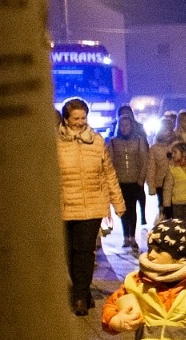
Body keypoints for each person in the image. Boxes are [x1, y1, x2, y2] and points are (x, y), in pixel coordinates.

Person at [57, 97, 125, 316]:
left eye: (83, 118)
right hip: (65, 205)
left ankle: (79, 297)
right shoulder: (55, 142)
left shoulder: (96, 141)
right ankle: (83, 290)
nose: (80, 122)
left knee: (85, 251)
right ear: (66, 119)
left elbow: (109, 173)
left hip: (92, 205)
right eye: (75, 118)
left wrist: (118, 203)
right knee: (70, 252)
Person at [107, 105, 151, 249]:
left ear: (132, 126)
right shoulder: (113, 142)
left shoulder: (139, 140)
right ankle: (126, 237)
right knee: (123, 210)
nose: (125, 128)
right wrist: (112, 181)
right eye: (122, 125)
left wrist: (141, 180)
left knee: (132, 209)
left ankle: (132, 237)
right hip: (120, 182)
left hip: (134, 181)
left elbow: (144, 160)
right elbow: (110, 162)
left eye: (127, 125)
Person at [162, 142, 186, 228]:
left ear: (184, 153)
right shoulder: (172, 168)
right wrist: (166, 205)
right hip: (178, 202)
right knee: (179, 227)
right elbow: (167, 187)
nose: (173, 155)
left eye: (175, 152)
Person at [147, 112, 178, 217]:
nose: (167, 133)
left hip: (176, 181)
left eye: (169, 130)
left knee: (175, 208)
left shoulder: (177, 145)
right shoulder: (154, 148)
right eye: (165, 130)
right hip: (160, 183)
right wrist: (151, 187)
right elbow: (151, 168)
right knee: (164, 207)